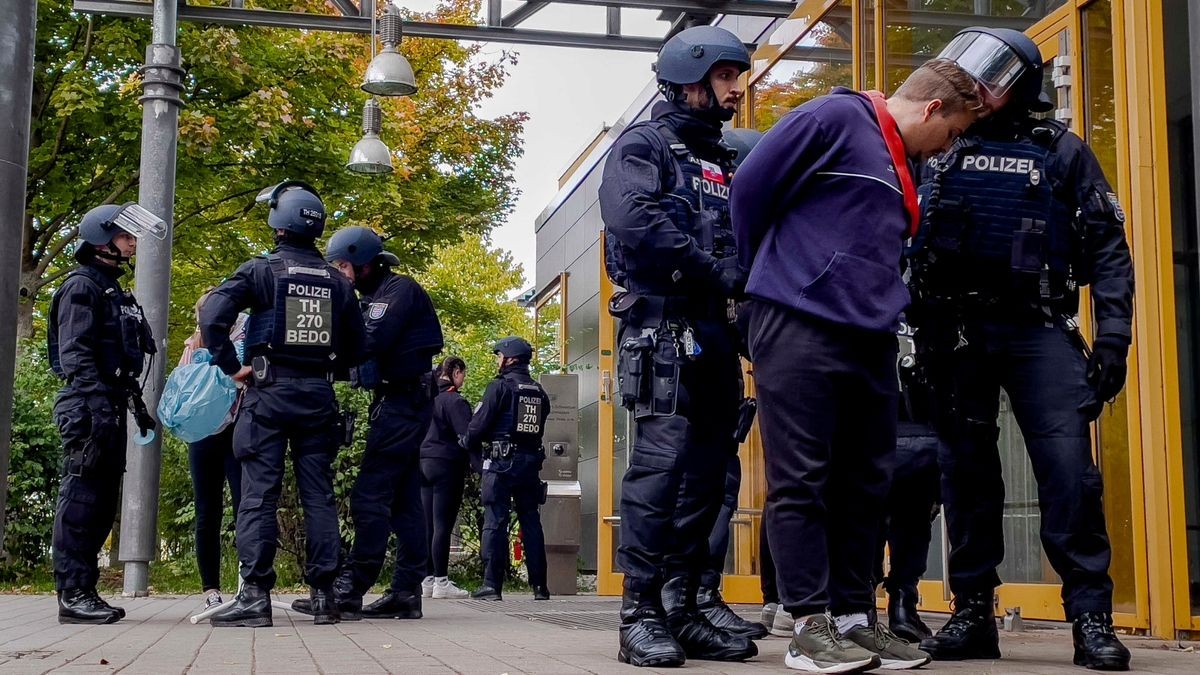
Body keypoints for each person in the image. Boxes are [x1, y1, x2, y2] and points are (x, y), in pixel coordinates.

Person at [730, 60, 983, 673]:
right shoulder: (832, 117)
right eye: (951, 133)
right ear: (931, 109)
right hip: (798, 318)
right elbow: (749, 192)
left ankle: (852, 621)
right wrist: (769, 279)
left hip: (869, 332)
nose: (950, 147)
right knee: (803, 477)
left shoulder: (908, 163)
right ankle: (808, 627)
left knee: (866, 481)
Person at [911, 27, 1134, 671]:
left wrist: (1114, 336)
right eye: (972, 74)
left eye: (994, 75)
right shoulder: (942, 141)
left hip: (1038, 328)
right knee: (966, 475)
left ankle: (1090, 618)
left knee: (1069, 474)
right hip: (954, 333)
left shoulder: (1060, 151)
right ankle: (972, 613)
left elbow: (1109, 253)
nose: (978, 87)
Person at [599, 24, 758, 668]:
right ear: (690, 79)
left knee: (712, 474)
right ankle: (639, 610)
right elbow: (634, 221)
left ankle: (685, 603)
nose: (735, 90)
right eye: (725, 77)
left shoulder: (727, 158)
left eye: (736, 77)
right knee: (660, 468)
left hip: (717, 329)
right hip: (660, 323)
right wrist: (714, 271)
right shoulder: (645, 145)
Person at [202, 181, 366, 628]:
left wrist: (227, 365)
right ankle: (324, 597)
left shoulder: (261, 271)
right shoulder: (337, 281)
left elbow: (212, 315)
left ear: (277, 223)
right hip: (318, 397)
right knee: (320, 496)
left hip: (268, 393)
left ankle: (255, 597)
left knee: (258, 496)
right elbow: (358, 346)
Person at [292, 225, 445, 621]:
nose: (339, 273)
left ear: (362, 262)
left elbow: (368, 341)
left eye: (343, 265)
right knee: (404, 502)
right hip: (400, 402)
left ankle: (350, 588)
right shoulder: (376, 297)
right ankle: (406, 593)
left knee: (369, 495)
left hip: (402, 404)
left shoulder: (397, 292)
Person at [47, 202, 162, 624]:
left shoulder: (111, 288)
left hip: (109, 404)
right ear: (101, 238)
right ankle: (72, 593)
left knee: (99, 503)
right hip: (88, 406)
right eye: (125, 235)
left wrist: (136, 407)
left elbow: (122, 355)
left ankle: (85, 589)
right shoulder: (83, 286)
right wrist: (97, 403)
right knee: (82, 498)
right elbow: (75, 354)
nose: (132, 243)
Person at [698, 127, 769, 642]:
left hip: (718, 371)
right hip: (692, 369)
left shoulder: (739, 231)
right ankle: (690, 598)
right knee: (698, 488)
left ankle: (699, 596)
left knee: (719, 488)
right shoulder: (719, 229)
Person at [466, 337, 551, 602]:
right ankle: (540, 587)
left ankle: (492, 585)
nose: (497, 360)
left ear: (510, 358)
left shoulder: (499, 387)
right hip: (530, 464)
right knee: (531, 522)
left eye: (499, 356)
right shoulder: (539, 392)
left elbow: (477, 426)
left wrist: (466, 442)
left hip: (502, 463)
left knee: (495, 521)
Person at [875, 321, 941, 644]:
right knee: (915, 498)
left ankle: (866, 604)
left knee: (869, 497)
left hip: (885, 389)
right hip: (912, 395)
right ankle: (903, 603)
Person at [182, 291, 247, 612]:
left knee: (245, 506)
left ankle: (248, 583)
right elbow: (184, 388)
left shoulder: (248, 331)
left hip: (239, 429)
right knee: (207, 512)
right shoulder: (194, 342)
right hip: (203, 431)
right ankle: (210, 590)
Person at [420, 356, 473, 600]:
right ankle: (442, 581)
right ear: (455, 371)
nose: (464, 379)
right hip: (446, 465)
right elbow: (466, 436)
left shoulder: (426, 398)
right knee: (443, 524)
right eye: (463, 374)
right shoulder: (454, 401)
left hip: (423, 463)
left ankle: (427, 579)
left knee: (428, 525)